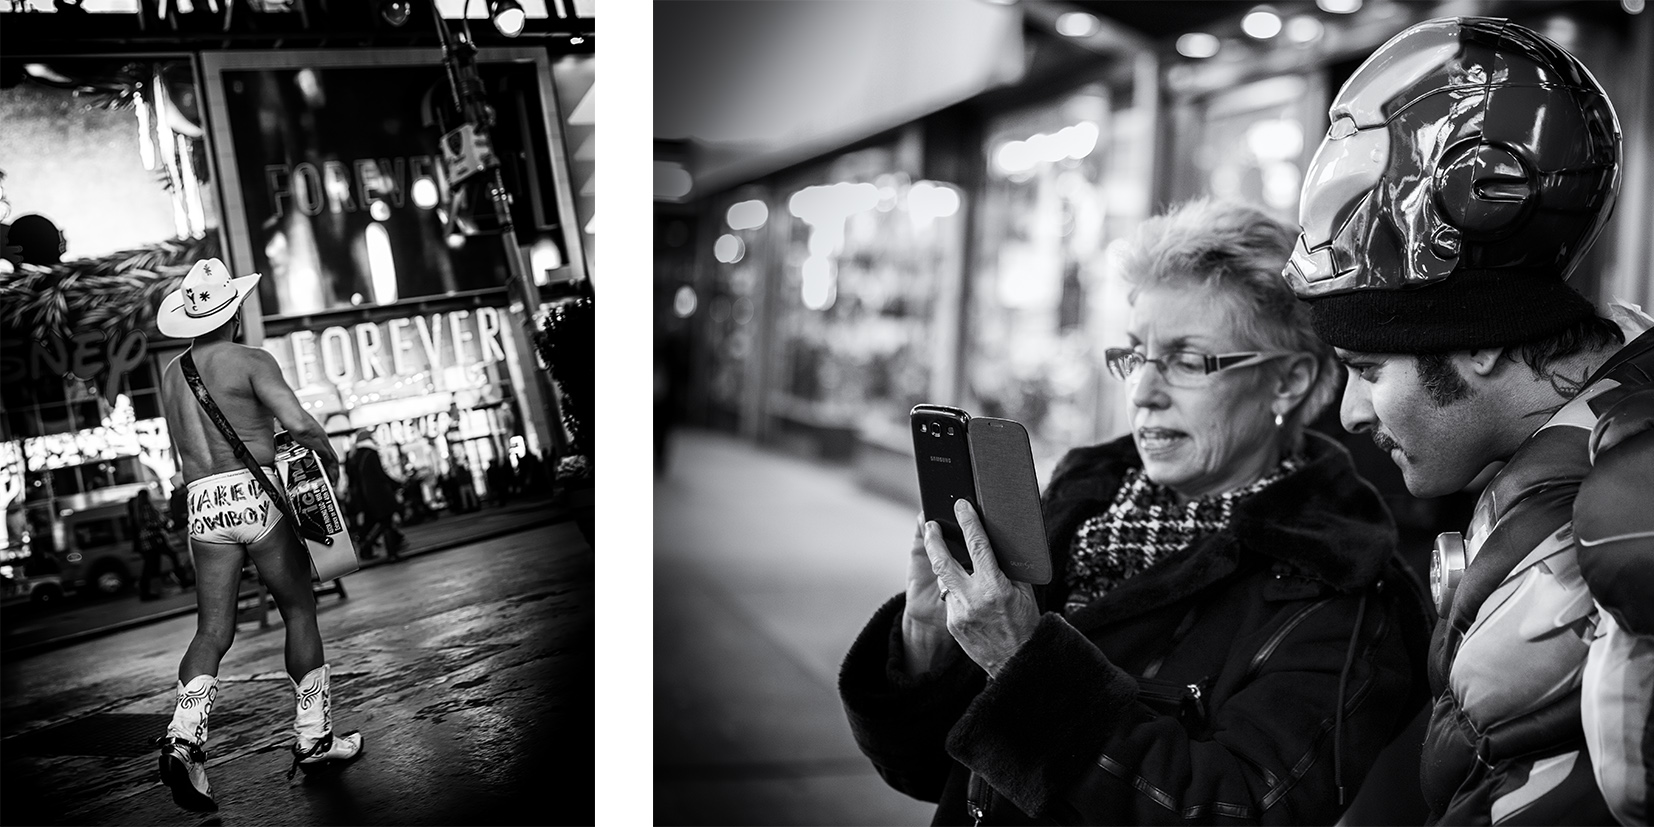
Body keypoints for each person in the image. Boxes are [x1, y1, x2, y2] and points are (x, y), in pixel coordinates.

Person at [840, 200, 1432, 824]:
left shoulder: (1344, 593)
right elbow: (924, 768)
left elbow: (1240, 811)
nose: (1144, 392)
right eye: (1135, 355)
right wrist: (928, 640)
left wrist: (1023, 666)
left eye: (1186, 360)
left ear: (1287, 382)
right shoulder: (1079, 506)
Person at [1283, 17, 1652, 824]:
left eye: (1370, 371)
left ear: (1480, 343)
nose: (1349, 415)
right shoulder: (1571, 457)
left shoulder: (1625, 512)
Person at [152, 258, 362, 812]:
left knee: (212, 630)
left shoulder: (172, 374)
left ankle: (184, 738)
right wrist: (332, 461)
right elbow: (297, 423)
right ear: (235, 309)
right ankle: (314, 737)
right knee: (298, 609)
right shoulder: (250, 359)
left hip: (203, 503)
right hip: (255, 494)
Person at [347, 431, 405, 560]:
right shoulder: (371, 454)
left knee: (376, 523)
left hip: (365, 498)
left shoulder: (354, 457)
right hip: (379, 495)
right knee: (386, 523)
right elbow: (380, 475)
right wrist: (396, 484)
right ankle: (390, 553)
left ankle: (367, 549)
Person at [128, 489, 191, 600]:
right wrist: (163, 524)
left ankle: (148, 590)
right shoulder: (146, 508)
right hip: (154, 540)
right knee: (166, 558)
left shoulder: (138, 509)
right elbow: (153, 522)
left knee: (151, 565)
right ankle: (182, 580)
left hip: (148, 542)